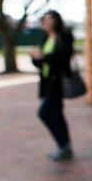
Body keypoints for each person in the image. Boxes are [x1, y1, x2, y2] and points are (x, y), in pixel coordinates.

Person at [30, 10, 74, 161]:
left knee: (44, 113)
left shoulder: (64, 37)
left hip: (58, 82)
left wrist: (44, 57)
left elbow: (63, 58)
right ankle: (65, 146)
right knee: (57, 115)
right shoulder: (45, 38)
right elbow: (41, 63)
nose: (46, 23)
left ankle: (63, 145)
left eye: (49, 20)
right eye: (44, 21)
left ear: (56, 21)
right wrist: (36, 58)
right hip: (47, 82)